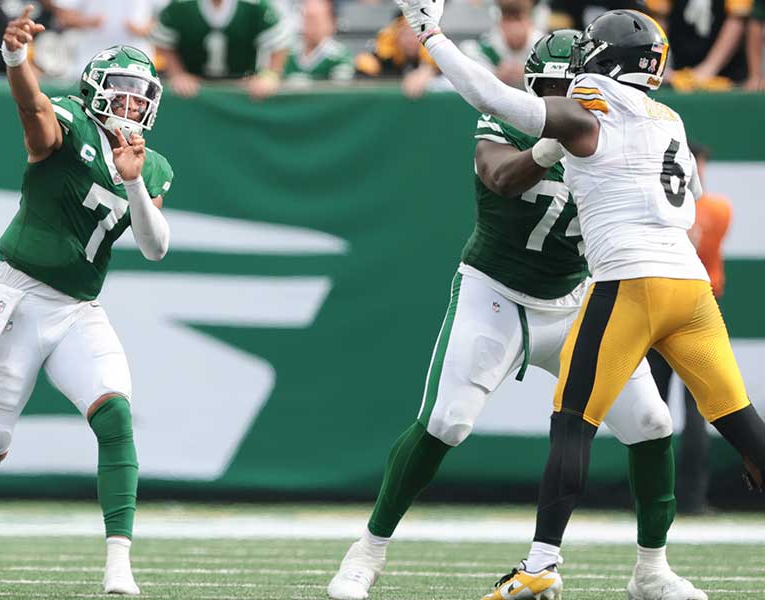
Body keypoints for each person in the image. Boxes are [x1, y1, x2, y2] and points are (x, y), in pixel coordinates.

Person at [393, 1, 765, 597]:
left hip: (629, 283)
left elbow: (491, 96)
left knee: (573, 423)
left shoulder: (590, 109)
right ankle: (645, 570)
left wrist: (431, 36)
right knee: (743, 425)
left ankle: (539, 564)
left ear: (602, 58)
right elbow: (691, 189)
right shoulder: (667, 117)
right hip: (691, 289)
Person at [326, 30, 684, 600]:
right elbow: (499, 177)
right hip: (498, 293)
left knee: (652, 423)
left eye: (567, 88)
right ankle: (366, 554)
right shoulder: (516, 124)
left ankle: (652, 571)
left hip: (577, 301)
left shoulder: (621, 127)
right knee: (446, 423)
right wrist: (550, 146)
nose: (558, 99)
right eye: (546, 89)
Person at [0, 7, 173, 595]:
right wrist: (18, 60)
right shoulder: (69, 120)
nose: (129, 105)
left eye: (138, 95)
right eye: (120, 93)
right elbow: (35, 114)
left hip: (77, 309)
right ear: (95, 90)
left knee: (116, 415)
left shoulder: (152, 163)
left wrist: (134, 180)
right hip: (18, 298)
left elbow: (153, 247)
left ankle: (119, 562)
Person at [646, 142, 732, 515]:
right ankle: (694, 498)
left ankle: (650, 496)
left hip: (659, 306)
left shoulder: (657, 206)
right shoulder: (717, 209)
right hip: (700, 307)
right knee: (696, 411)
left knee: (652, 410)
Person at [150, 0, 290, 99]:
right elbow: (162, 41)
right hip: (195, 88)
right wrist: (178, 73)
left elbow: (280, 42)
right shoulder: (181, 5)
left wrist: (270, 75)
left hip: (241, 87)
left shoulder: (254, 5)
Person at [461, 0, 543, 88]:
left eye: (519, 19)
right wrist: (495, 75)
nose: (514, 28)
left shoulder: (544, 49)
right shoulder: (479, 49)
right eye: (508, 20)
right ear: (499, 22)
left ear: (530, 22)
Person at [285, 0, 355, 83]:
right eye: (307, 18)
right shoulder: (287, 53)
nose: (310, 25)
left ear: (331, 22)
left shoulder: (339, 57)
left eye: (315, 20)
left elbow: (340, 92)